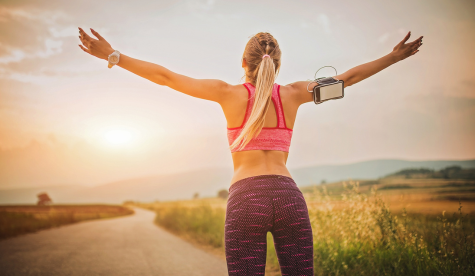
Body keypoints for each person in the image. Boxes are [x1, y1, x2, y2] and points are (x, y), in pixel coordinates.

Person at [78, 28, 422, 275]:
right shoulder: (296, 93)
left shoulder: (225, 92)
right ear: (278, 64)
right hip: (289, 197)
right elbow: (349, 78)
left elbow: (165, 77)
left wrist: (114, 56)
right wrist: (394, 57)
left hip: (246, 199)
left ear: (244, 61)